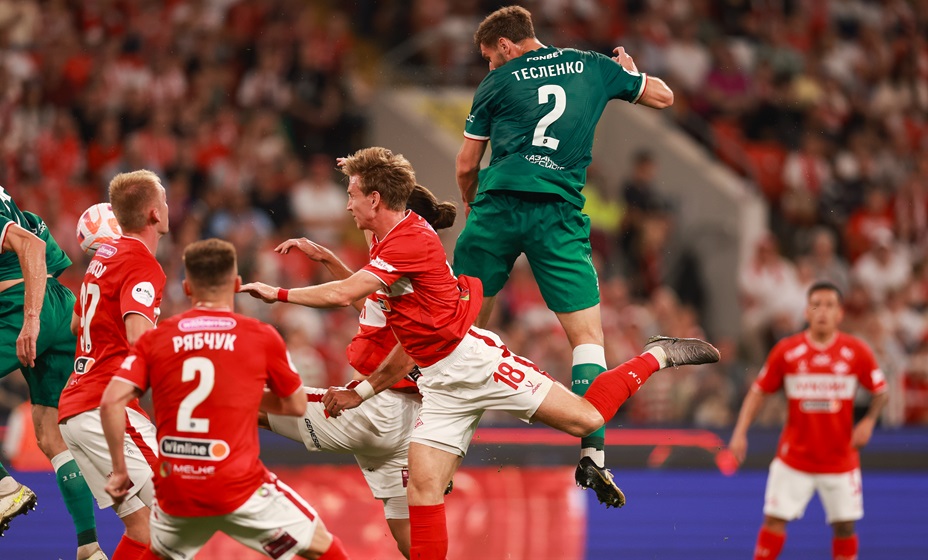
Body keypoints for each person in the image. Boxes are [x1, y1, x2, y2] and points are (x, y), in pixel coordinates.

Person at [240, 146, 720, 559]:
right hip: (437, 385)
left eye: (351, 194)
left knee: (587, 418)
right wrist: (331, 252)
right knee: (423, 489)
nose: (346, 204)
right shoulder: (388, 242)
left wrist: (276, 293)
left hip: (475, 364)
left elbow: (350, 297)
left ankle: (657, 355)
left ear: (375, 199)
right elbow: (382, 315)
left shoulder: (407, 240)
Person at [452, 5, 675, 504]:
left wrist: (471, 204)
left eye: (490, 56)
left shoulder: (497, 82)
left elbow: (467, 164)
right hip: (558, 214)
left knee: (460, 334)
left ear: (506, 45)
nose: (490, 65)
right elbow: (664, 96)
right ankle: (593, 454)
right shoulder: (593, 66)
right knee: (588, 339)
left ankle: (444, 453)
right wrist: (630, 74)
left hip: (499, 207)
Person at [100, 238, 348, 560]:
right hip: (239, 487)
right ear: (236, 283)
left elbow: (111, 401)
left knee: (158, 551)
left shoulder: (156, 339)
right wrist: (240, 394)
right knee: (325, 547)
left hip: (178, 490)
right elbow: (296, 405)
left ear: (187, 287)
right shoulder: (260, 335)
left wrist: (120, 470)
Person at [262, 183, 457, 559]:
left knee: (248, 402)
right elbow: (370, 305)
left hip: (377, 410)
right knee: (413, 542)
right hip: (405, 419)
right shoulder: (411, 266)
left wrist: (279, 293)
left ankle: (196, 464)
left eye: (360, 200)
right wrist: (327, 259)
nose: (353, 209)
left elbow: (349, 300)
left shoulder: (408, 264)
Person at [729, 281, 888, 560]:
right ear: (806, 311)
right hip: (794, 458)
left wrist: (869, 421)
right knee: (774, 520)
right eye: (816, 305)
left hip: (840, 458)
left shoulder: (856, 351)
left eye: (829, 305)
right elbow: (758, 392)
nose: (822, 311)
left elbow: (881, 391)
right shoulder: (787, 351)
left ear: (840, 313)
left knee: (845, 526)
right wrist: (740, 431)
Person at [57, 170, 169, 560]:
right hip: (104, 407)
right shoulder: (142, 264)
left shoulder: (102, 257)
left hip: (75, 410)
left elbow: (76, 325)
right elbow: (139, 337)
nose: (168, 206)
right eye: (165, 200)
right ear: (155, 213)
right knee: (178, 510)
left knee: (142, 530)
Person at [0, 186, 105, 559]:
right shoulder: (8, 203)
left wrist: (31, 319)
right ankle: (89, 545)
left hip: (23, 308)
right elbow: (44, 246)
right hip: (59, 302)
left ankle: (3, 487)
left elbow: (32, 246)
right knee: (49, 430)